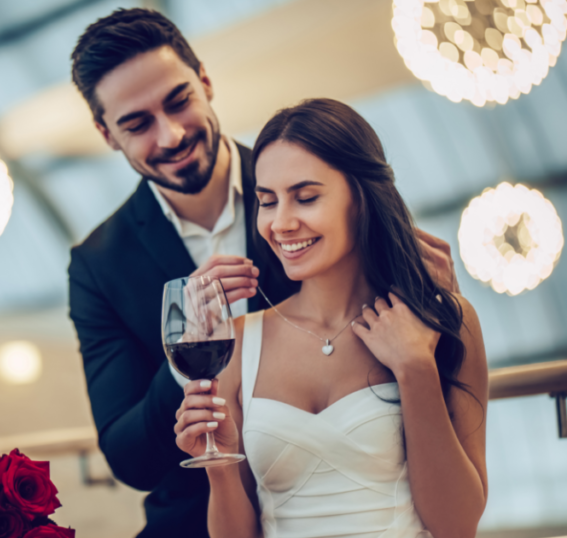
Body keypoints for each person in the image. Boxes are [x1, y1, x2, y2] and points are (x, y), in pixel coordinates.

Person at [67, 9, 458, 538]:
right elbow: (128, 459)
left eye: (179, 100)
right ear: (106, 134)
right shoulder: (99, 264)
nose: (173, 133)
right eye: (137, 124)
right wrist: (186, 337)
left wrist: (418, 278)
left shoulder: (310, 179)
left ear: (205, 81)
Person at [174, 99, 488, 538]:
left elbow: (457, 525)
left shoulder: (444, 320)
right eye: (267, 201)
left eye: (306, 197)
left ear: (361, 197)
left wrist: (415, 369)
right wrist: (220, 467)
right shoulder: (239, 342)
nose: (280, 223)